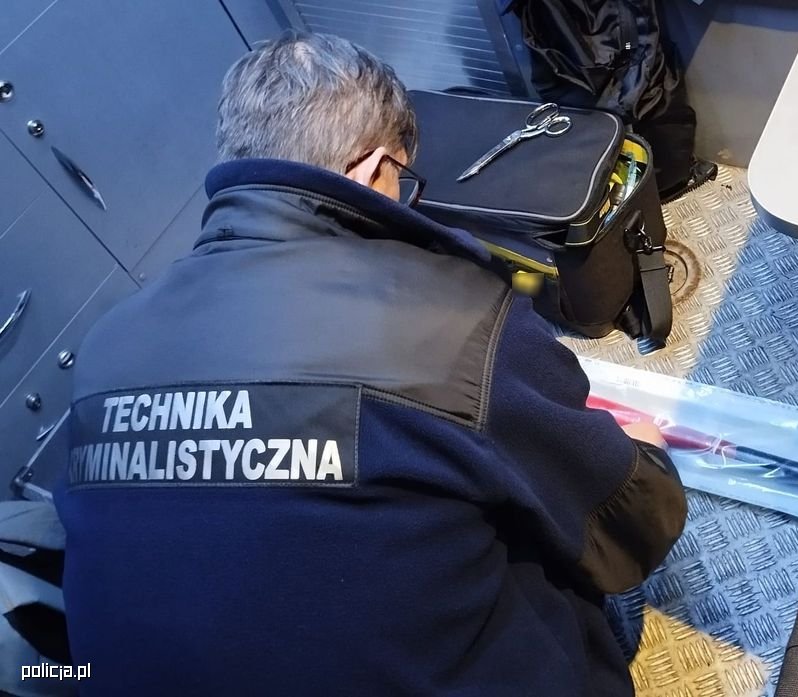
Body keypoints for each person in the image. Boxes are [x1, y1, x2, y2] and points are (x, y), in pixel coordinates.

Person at [54, 33, 687, 696]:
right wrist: (641, 454)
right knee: (587, 556)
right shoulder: (450, 321)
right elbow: (635, 525)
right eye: (404, 182)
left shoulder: (106, 346)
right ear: (374, 169)